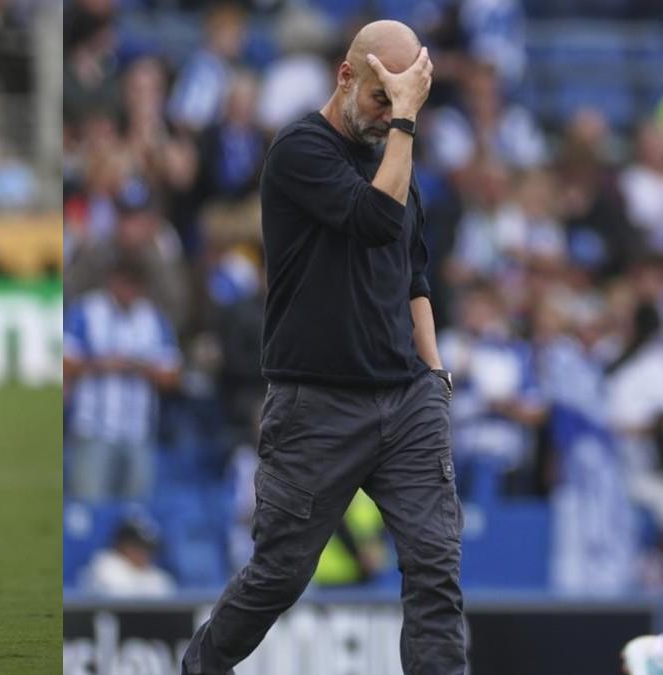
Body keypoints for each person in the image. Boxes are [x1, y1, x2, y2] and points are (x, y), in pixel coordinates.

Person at [182, 21, 467, 675]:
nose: (390, 118)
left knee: (436, 568)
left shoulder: (396, 152)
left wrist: (435, 372)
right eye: (380, 100)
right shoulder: (298, 150)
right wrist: (408, 126)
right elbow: (375, 222)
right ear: (346, 77)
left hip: (407, 398)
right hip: (318, 402)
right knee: (278, 576)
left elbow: (414, 273)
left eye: (401, 105)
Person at [63, 254, 181, 501]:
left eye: (135, 284)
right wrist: (102, 365)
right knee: (90, 505)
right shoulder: (86, 311)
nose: (129, 290)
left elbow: (172, 376)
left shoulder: (153, 319)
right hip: (93, 429)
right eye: (125, 283)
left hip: (138, 432)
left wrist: (139, 368)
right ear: (112, 281)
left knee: (135, 513)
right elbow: (66, 362)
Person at [78, 514, 176, 598]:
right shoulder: (104, 566)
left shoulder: (155, 575)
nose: (144, 554)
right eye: (138, 547)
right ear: (122, 545)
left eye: (148, 549)